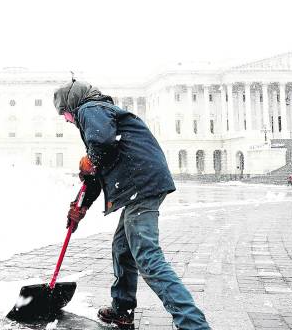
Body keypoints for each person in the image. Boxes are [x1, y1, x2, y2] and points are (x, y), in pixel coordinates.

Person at [54, 80, 210, 330]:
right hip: (141, 183)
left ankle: (193, 324)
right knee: (122, 248)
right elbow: (97, 170)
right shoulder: (100, 114)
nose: (66, 119)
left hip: (141, 183)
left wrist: (90, 159)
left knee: (147, 256)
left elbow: (102, 146)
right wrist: (80, 207)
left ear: (72, 104)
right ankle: (122, 310)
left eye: (64, 112)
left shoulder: (89, 109)